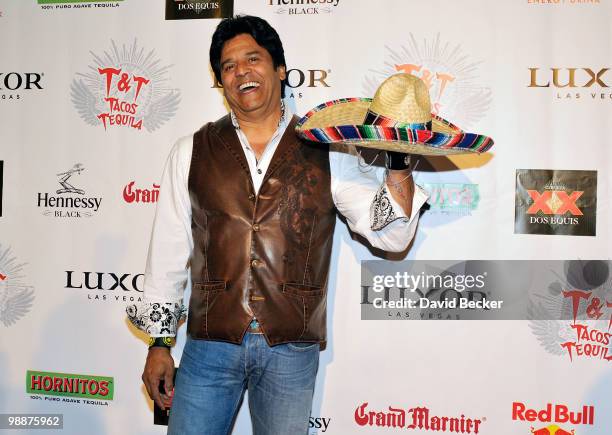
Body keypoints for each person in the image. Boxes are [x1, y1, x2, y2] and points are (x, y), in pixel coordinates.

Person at [127, 15, 429, 435]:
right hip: (209, 345)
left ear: (280, 70)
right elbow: (168, 252)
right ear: (220, 81)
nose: (241, 72)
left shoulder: (329, 150)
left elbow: (392, 235)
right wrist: (159, 345)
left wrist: (398, 165)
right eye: (228, 66)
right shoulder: (190, 151)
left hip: (290, 349)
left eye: (252, 59)